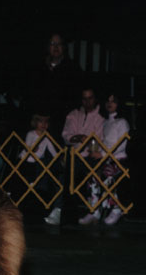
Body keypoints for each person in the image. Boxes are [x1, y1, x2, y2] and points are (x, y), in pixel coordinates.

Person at [44, 86, 104, 225]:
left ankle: (94, 210)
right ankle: (58, 209)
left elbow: (100, 139)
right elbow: (66, 135)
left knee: (93, 170)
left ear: (95, 99)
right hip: (72, 155)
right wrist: (79, 137)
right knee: (58, 169)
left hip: (91, 156)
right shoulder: (73, 114)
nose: (87, 102)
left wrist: (85, 141)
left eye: (90, 98)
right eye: (84, 98)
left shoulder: (101, 117)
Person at [78, 92, 130, 225]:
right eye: (108, 101)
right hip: (106, 158)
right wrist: (96, 151)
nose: (110, 103)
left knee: (108, 174)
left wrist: (103, 154)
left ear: (119, 104)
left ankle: (116, 209)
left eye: (113, 101)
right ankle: (94, 210)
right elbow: (104, 143)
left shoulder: (122, 122)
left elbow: (121, 145)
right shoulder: (106, 122)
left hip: (119, 159)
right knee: (92, 176)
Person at [28, 33, 82, 141]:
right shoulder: (38, 67)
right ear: (48, 47)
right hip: (41, 120)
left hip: (62, 120)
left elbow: (76, 96)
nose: (56, 47)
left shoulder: (73, 68)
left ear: (64, 47)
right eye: (53, 43)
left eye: (59, 44)